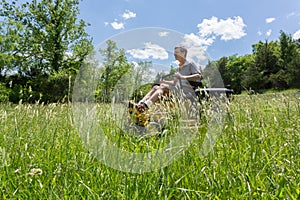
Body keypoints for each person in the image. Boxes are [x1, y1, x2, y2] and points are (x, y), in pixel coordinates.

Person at [128, 46, 202, 126]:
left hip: (186, 91)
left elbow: (198, 76)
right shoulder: (178, 68)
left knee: (162, 88)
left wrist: (182, 77)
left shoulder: (190, 64)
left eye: (176, 52)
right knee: (156, 87)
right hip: (176, 89)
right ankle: (140, 105)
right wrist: (165, 82)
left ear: (183, 53)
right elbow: (174, 83)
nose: (174, 54)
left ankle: (145, 107)